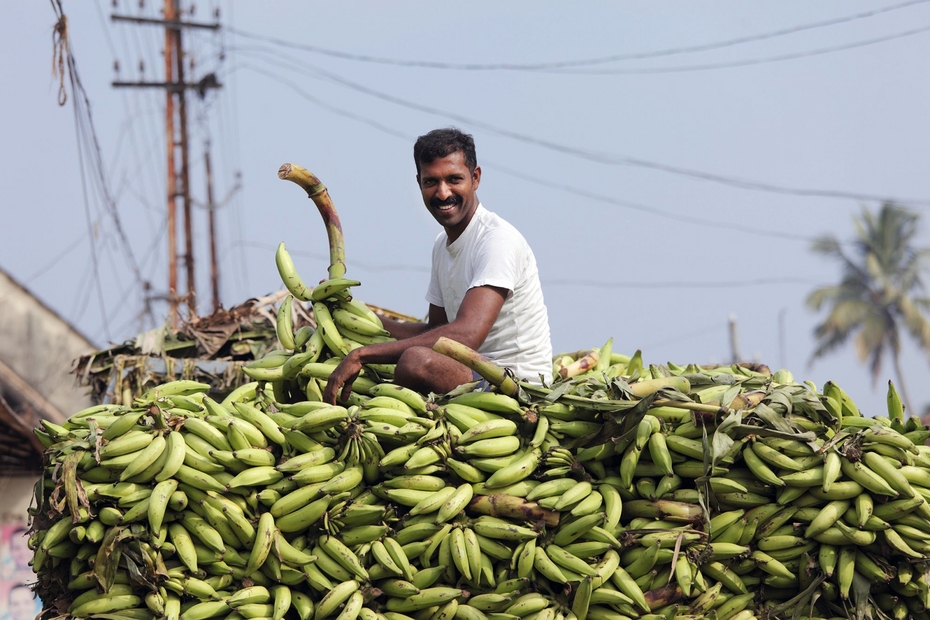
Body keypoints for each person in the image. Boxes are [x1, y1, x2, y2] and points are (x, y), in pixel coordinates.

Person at [323, 128, 551, 404]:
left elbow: (465, 335)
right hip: (472, 372)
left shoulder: (497, 240)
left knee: (415, 361)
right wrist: (356, 314)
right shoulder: (441, 246)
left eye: (454, 179)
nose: (443, 193)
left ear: (475, 178)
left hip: (515, 384)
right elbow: (435, 330)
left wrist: (362, 354)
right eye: (431, 182)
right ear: (419, 183)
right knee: (412, 355)